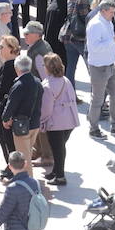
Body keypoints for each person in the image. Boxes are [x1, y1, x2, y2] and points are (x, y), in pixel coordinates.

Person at [85, 0, 115, 138]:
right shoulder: (95, 25)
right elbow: (95, 48)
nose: (113, 15)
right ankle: (93, 129)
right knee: (98, 100)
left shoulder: (107, 22)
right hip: (99, 67)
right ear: (103, 11)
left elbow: (108, 41)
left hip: (110, 64)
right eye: (111, 12)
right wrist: (114, 41)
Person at [0, 151, 43, 230]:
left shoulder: (12, 189)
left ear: (9, 166)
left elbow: (1, 216)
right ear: (25, 164)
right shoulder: (35, 183)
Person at [37, 52, 76, 186]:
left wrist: (41, 121)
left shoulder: (47, 85)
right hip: (69, 120)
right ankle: (55, 172)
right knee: (59, 148)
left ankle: (60, 176)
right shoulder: (66, 80)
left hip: (56, 122)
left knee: (57, 150)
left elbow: (46, 108)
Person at [2, 53, 43, 165]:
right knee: (28, 153)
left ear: (16, 68)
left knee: (24, 159)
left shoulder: (19, 85)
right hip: (35, 124)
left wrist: (5, 119)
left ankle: (27, 181)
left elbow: (11, 104)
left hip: (22, 126)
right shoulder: (37, 82)